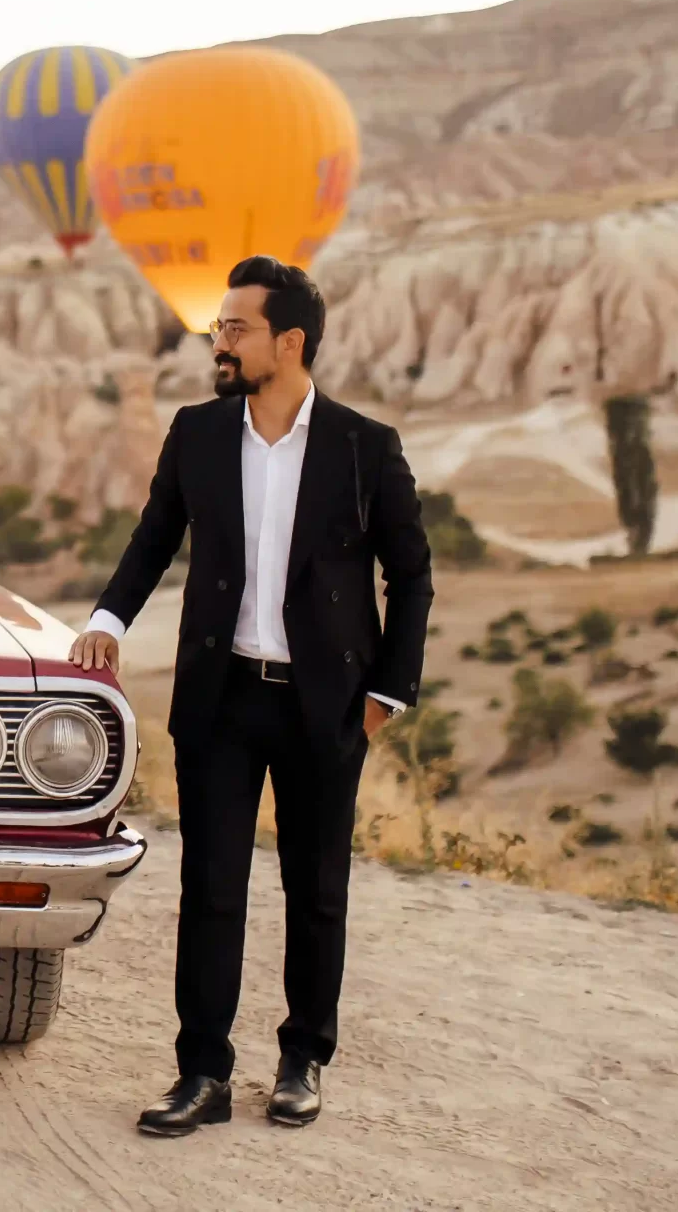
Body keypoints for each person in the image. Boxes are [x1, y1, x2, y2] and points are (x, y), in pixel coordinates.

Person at [68, 256, 429, 1133]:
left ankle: (304, 1058)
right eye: (218, 327)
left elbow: (410, 572)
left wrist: (389, 694)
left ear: (290, 341)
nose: (218, 341)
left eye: (235, 328)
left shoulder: (361, 445)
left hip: (325, 702)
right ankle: (204, 1074)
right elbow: (154, 537)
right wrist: (108, 619)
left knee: (315, 888)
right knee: (211, 885)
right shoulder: (196, 431)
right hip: (221, 696)